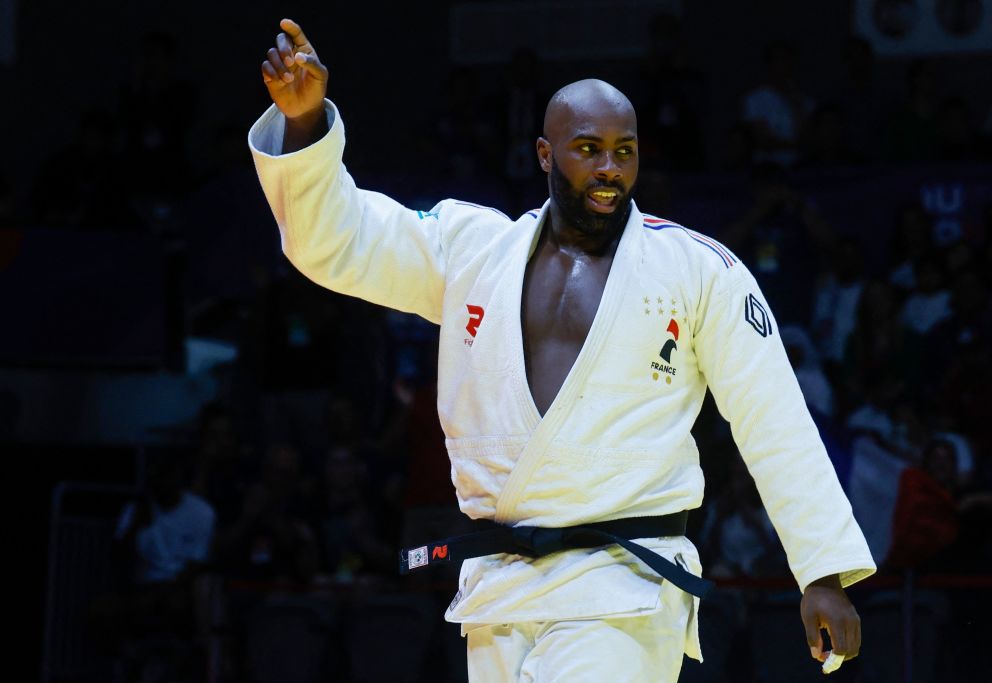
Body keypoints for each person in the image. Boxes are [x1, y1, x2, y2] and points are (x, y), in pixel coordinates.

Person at [249, 19, 874, 681]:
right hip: (499, 587)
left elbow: (774, 419)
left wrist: (822, 571)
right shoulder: (473, 250)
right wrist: (307, 125)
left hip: (623, 586)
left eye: (624, 150)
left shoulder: (699, 271)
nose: (609, 168)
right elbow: (341, 243)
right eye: (588, 148)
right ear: (546, 155)